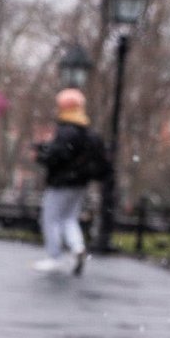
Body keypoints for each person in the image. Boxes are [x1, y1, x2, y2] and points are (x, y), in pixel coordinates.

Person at [34, 88, 111, 275]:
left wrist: (41, 154)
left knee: (50, 218)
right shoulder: (88, 133)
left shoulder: (67, 131)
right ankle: (77, 248)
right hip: (79, 183)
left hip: (62, 183)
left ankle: (54, 256)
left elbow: (57, 155)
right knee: (69, 218)